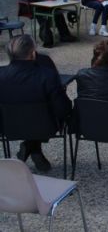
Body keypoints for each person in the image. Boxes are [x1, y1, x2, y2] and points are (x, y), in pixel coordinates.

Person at [0, 35, 71, 172]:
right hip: (45, 126)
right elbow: (63, 110)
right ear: (33, 53)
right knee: (42, 112)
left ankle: (31, 146)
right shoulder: (47, 75)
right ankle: (33, 148)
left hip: (7, 126)